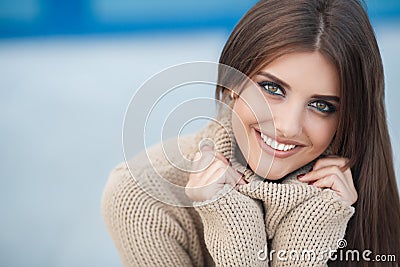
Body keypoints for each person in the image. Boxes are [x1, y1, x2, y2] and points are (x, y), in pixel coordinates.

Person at [101, 0, 400, 266]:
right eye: (272, 89)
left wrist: (312, 227)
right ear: (233, 82)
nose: (287, 126)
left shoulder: (349, 196)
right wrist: (230, 218)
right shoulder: (142, 195)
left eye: (321, 105)